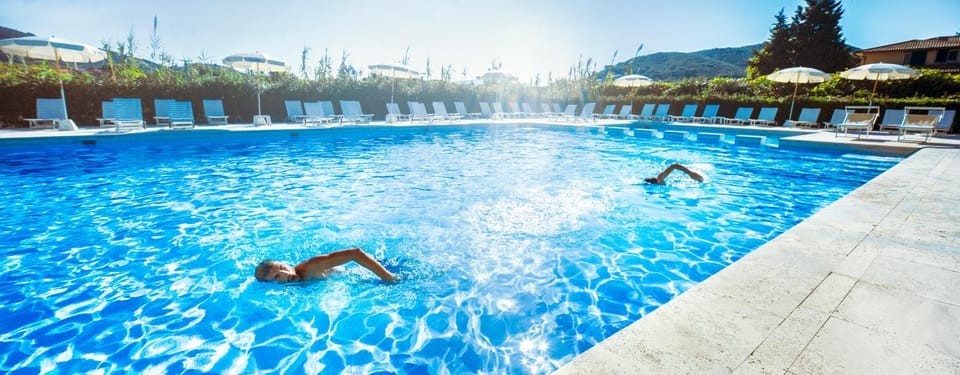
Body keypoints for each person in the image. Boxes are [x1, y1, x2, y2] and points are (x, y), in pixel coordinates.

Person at [255, 247, 398, 284]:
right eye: (276, 277)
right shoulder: (285, 289)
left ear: (285, 263)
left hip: (369, 272)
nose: (284, 274)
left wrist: (388, 277)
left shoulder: (310, 267)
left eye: (281, 268)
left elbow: (355, 253)